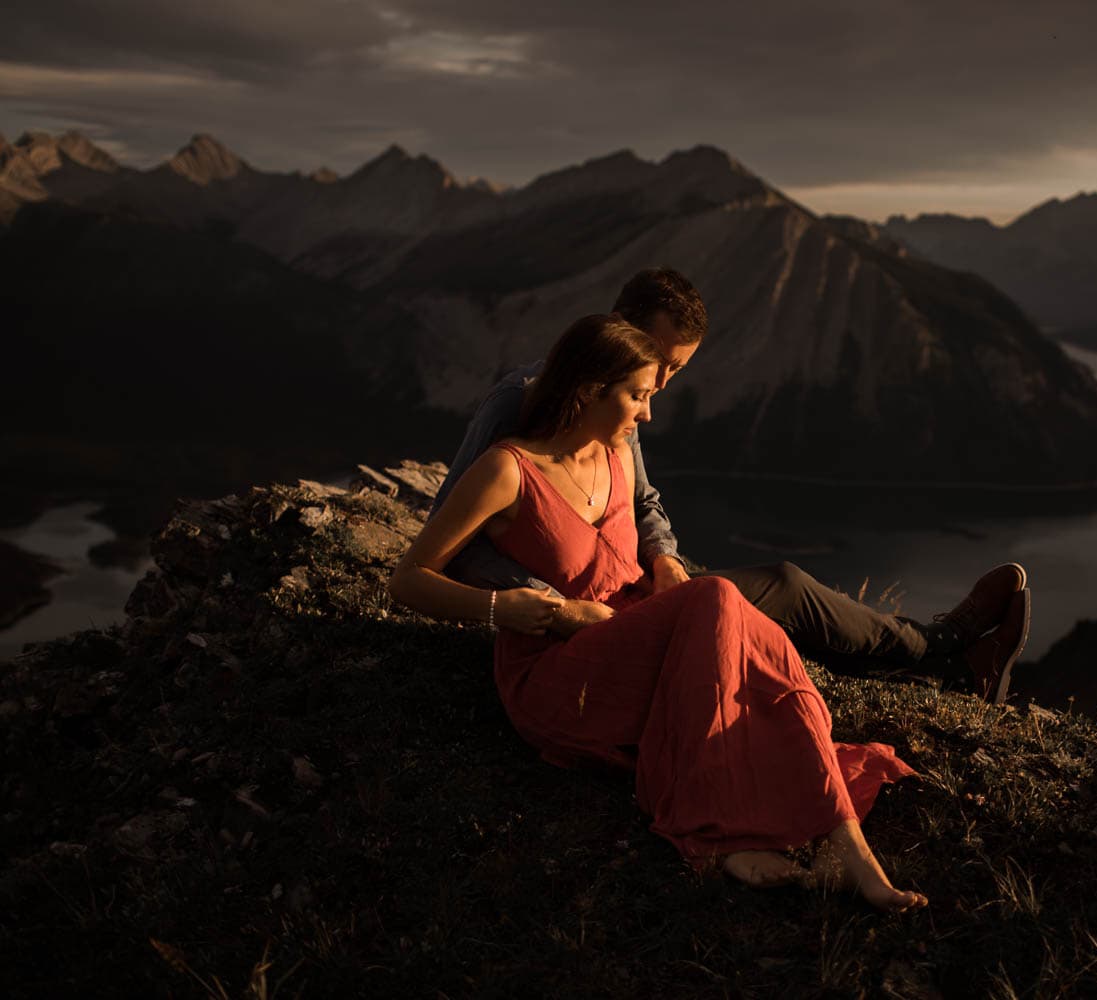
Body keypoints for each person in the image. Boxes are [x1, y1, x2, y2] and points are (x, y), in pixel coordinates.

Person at [390, 314, 927, 909]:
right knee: (717, 596)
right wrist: (502, 606)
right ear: (591, 388)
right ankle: (716, 834)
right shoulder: (505, 470)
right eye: (639, 395)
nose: (648, 413)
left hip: (633, 644)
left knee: (759, 633)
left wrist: (663, 564)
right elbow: (408, 580)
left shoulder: (616, 450)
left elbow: (643, 530)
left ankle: (845, 840)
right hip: (556, 675)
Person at [432, 268, 1033, 704]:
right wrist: (541, 603)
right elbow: (450, 538)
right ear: (617, 336)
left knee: (786, 589)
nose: (660, 388)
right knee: (751, 632)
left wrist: (664, 556)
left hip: (635, 593)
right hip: (580, 629)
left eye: (676, 370)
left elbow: (641, 500)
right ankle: (947, 658)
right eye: (658, 364)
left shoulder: (626, 404)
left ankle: (943, 656)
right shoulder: (521, 404)